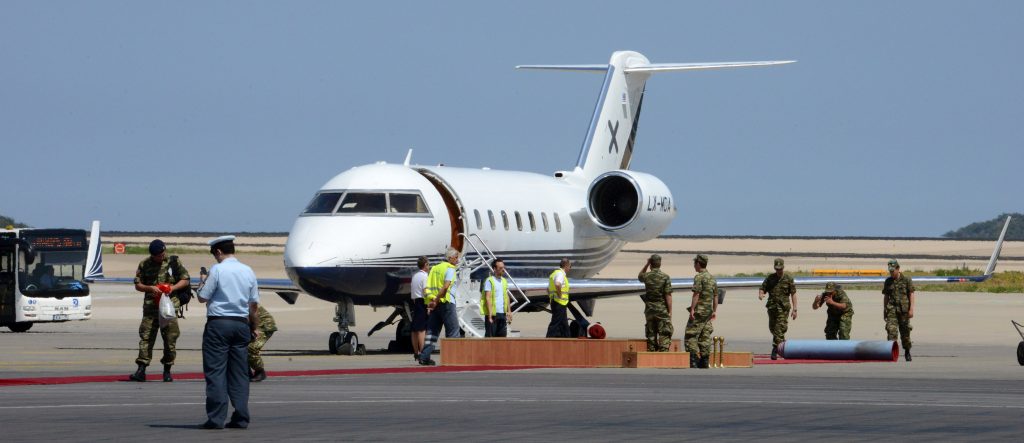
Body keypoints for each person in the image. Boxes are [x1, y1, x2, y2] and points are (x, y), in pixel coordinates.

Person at [197, 235, 260, 430]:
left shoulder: (217, 270)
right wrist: (253, 327)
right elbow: (254, 304)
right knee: (239, 373)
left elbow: (202, 297)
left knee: (216, 372)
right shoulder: (247, 270)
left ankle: (216, 418)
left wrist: (201, 282)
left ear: (218, 251)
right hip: (241, 325)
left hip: (219, 324)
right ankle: (241, 417)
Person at [129, 239, 190, 383]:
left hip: (169, 308)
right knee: (146, 338)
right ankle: (141, 370)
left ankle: (167, 370)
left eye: (163, 253)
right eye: (158, 255)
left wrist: (172, 288)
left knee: (170, 339)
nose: (162, 257)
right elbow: (138, 284)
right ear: (153, 255)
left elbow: (185, 279)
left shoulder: (173, 262)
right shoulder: (144, 264)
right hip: (151, 308)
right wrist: (150, 288)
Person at [418, 248, 460, 366]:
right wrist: (437, 299)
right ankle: (452, 358)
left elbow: (427, 286)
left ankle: (424, 357)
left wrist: (432, 300)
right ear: (450, 258)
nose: (457, 259)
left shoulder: (434, 268)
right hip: (446, 302)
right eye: (456, 257)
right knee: (453, 331)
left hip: (435, 304)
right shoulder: (450, 269)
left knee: (431, 332)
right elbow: (446, 287)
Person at [758, 258, 798, 360]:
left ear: (783, 267)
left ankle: (775, 349)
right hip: (772, 307)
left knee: (779, 329)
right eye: (776, 269)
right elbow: (763, 288)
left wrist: (795, 309)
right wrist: (761, 294)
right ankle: (782, 344)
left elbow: (793, 294)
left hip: (783, 308)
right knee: (772, 328)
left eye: (780, 269)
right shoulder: (770, 278)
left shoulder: (788, 278)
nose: (778, 271)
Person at [685, 254, 717, 369]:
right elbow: (716, 296)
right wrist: (714, 311)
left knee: (691, 335)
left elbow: (696, 294)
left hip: (699, 311)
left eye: (695, 264)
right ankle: (704, 361)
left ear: (698, 264)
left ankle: (693, 361)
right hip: (708, 312)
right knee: (705, 336)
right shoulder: (712, 278)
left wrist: (692, 309)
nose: (694, 266)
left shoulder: (699, 277)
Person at [638, 254, 673, 352]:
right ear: (660, 264)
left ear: (651, 264)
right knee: (665, 333)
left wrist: (646, 264)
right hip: (661, 310)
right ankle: (663, 355)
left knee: (651, 334)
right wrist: (670, 311)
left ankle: (652, 355)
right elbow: (668, 295)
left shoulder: (647, 276)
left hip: (649, 310)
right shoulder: (665, 277)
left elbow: (640, 276)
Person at [883, 258, 915, 361]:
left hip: (904, 310)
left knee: (905, 333)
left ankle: (907, 351)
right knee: (891, 331)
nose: (891, 273)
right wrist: (885, 309)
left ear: (898, 269)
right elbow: (886, 296)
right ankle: (891, 353)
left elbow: (911, 294)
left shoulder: (906, 280)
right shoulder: (888, 281)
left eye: (893, 270)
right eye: (890, 271)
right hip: (892, 309)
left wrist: (911, 309)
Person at [481, 258, 512, 337]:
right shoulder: (489, 281)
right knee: (490, 338)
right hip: (493, 314)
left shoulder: (504, 281)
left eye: (503, 267)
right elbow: (488, 297)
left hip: (502, 314)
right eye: (500, 268)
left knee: (501, 338)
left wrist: (509, 311)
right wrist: (490, 314)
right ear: (494, 269)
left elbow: (506, 296)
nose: (503, 270)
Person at [247, 304, 277, 382]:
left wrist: (254, 329)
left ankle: (259, 371)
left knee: (251, 348)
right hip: (249, 324)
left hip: (263, 325)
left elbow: (252, 311)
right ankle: (245, 372)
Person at [409, 256, 429, 359]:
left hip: (415, 302)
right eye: (428, 264)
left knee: (414, 329)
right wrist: (430, 302)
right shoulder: (425, 276)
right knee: (421, 330)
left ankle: (416, 352)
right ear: (425, 265)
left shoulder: (415, 276)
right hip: (422, 302)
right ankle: (422, 353)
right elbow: (425, 291)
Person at [546, 258, 572, 338]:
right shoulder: (560, 274)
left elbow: (548, 289)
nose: (570, 268)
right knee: (555, 322)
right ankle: (548, 340)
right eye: (570, 266)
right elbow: (557, 284)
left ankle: (568, 339)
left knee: (564, 323)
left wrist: (552, 296)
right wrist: (559, 294)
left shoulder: (554, 273)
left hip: (557, 302)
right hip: (559, 302)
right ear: (566, 265)